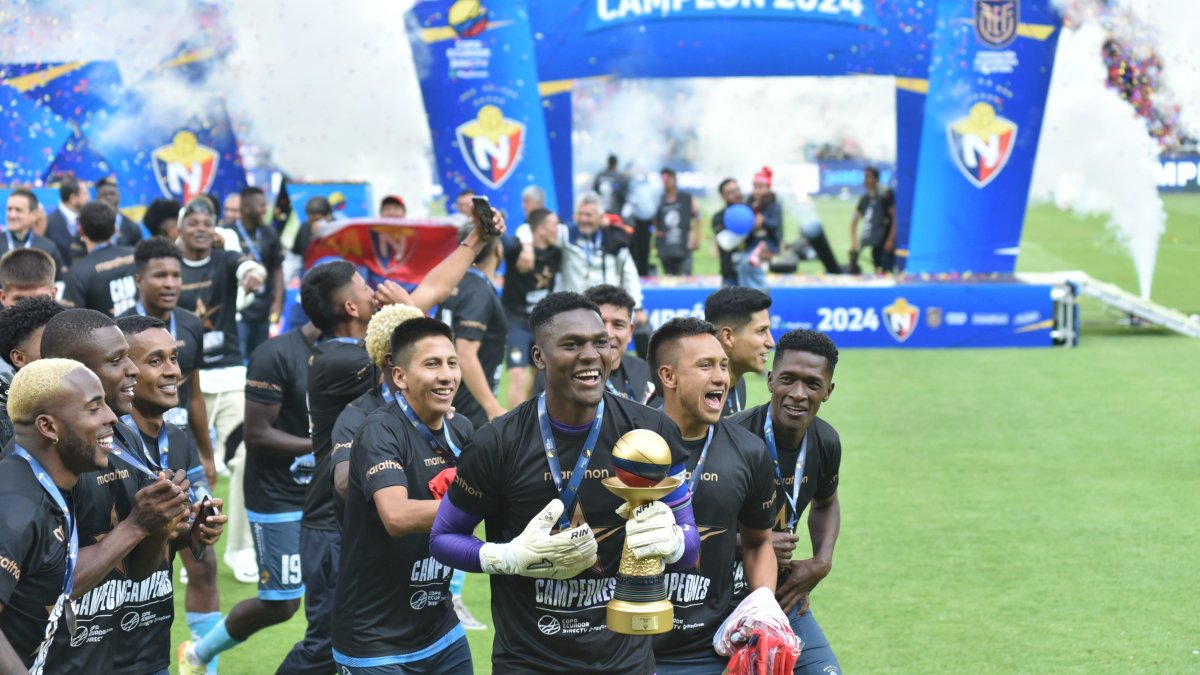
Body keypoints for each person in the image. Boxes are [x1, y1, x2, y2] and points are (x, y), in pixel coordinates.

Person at [429, 292, 701, 674]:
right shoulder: (496, 442)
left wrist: (673, 542)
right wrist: (505, 558)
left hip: (627, 664)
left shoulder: (650, 430)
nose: (591, 355)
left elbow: (690, 547)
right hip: (528, 662)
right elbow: (442, 538)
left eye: (600, 342)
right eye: (572, 344)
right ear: (539, 357)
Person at [284, 205, 504, 673]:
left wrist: (475, 240)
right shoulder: (341, 369)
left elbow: (430, 299)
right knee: (321, 645)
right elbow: (356, 491)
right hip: (335, 530)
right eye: (366, 290)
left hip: (426, 604)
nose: (376, 291)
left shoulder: (450, 422)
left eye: (451, 363)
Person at [35, 309, 193, 672]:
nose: (133, 370)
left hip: (128, 657)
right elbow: (51, 586)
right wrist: (138, 523)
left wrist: (163, 525)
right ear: (73, 369)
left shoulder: (124, 437)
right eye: (117, 360)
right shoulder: (41, 454)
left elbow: (137, 570)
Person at [332, 318, 477, 673]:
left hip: (439, 627)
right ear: (399, 376)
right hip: (373, 637)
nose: (447, 375)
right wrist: (481, 500)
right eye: (432, 364)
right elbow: (396, 517)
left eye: (452, 363)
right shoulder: (379, 430)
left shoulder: (462, 428)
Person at [176, 312, 318, 674]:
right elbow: (254, 434)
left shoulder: (357, 354)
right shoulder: (277, 354)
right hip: (277, 494)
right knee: (280, 601)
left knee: (341, 597)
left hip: (327, 494)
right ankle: (199, 652)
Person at [647, 318, 778, 674]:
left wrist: (764, 603)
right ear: (668, 377)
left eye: (722, 364)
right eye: (705, 366)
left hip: (710, 650)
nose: (721, 377)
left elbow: (757, 543)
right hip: (628, 648)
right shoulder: (629, 443)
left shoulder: (749, 451)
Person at [114, 316, 226, 675]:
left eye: (173, 358)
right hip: (102, 642)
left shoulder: (177, 440)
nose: (172, 371)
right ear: (125, 371)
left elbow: (161, 546)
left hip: (152, 639)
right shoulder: (102, 447)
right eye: (155, 361)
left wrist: (190, 533)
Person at [729, 330, 843, 675]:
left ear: (828, 391)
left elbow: (826, 502)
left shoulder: (825, 441)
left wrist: (822, 560)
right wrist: (754, 543)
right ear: (770, 381)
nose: (798, 394)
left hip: (780, 595)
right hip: (718, 597)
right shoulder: (732, 437)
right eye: (788, 380)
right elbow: (693, 530)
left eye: (812, 384)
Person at [0, 359, 118, 673]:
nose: (112, 417)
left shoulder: (52, 488)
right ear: (48, 427)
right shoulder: (13, 507)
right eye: (94, 408)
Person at [176, 196, 266, 584]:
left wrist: (253, 275)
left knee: (248, 458)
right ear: (180, 227)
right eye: (192, 221)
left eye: (206, 221)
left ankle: (241, 549)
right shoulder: (168, 265)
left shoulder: (226, 258)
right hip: (180, 381)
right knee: (183, 468)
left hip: (229, 376)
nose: (200, 227)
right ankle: (186, 543)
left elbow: (249, 267)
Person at [120, 237, 217, 487]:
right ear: (139, 280)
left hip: (183, 444)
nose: (170, 284)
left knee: (203, 517)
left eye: (176, 276)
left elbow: (194, 394)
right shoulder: (117, 329)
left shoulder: (191, 323)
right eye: (161, 276)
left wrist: (207, 454)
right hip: (137, 446)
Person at [518, 192, 645, 323]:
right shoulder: (566, 234)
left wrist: (638, 307)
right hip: (572, 312)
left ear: (600, 217)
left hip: (604, 312)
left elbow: (629, 274)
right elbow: (528, 228)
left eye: (588, 215)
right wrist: (527, 248)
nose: (583, 219)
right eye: (580, 214)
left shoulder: (614, 239)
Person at [436, 222, 507, 426]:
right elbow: (465, 354)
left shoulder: (452, 285)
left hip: (451, 405)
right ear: (498, 249)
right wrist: (492, 407)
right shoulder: (478, 292)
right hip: (469, 413)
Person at [532, 284, 651, 403]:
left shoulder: (645, 372)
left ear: (630, 332)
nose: (608, 334)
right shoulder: (556, 375)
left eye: (618, 325)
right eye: (600, 323)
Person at [503, 207, 561, 408]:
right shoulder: (518, 250)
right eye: (554, 225)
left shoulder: (557, 252)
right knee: (517, 375)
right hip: (516, 321)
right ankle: (512, 430)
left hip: (542, 323)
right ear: (541, 229)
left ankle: (528, 419)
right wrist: (526, 244)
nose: (558, 229)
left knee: (539, 377)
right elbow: (501, 238)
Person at [0, 298, 64, 450]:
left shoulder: (90, 392)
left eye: (66, 341)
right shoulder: (5, 416)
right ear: (19, 358)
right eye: (50, 344)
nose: (64, 352)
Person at [704, 286, 775, 417]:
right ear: (728, 337)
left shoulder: (739, 384)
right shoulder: (689, 390)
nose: (771, 342)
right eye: (761, 331)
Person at [61, 202, 137, 317]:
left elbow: (72, 322)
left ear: (81, 231)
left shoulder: (77, 273)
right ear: (115, 230)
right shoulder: (137, 255)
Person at [234, 186, 284, 358]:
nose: (265, 210)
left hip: (264, 309)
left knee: (261, 357)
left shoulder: (269, 232)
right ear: (247, 208)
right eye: (261, 206)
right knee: (239, 357)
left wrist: (277, 302)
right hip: (237, 311)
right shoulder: (230, 232)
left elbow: (277, 270)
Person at [2, 189, 66, 282]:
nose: (12, 215)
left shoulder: (47, 247)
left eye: (18, 210)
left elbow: (59, 282)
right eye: (9, 209)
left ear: (33, 215)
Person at [848, 166, 897, 274]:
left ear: (876, 179)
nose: (865, 180)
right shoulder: (865, 199)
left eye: (868, 177)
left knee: (886, 272)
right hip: (875, 242)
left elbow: (895, 218)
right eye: (864, 177)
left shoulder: (886, 195)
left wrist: (890, 240)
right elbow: (854, 222)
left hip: (885, 242)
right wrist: (853, 243)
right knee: (876, 269)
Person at [655, 167, 699, 276]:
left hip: (683, 246)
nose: (666, 182)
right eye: (664, 180)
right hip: (666, 249)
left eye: (669, 179)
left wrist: (696, 238)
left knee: (685, 281)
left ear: (675, 179)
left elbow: (697, 217)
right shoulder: (659, 200)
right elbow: (655, 222)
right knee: (669, 281)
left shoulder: (686, 198)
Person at [43, 176, 89, 264]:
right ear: (73, 198)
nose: (88, 198)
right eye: (84, 194)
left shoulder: (88, 217)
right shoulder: (49, 223)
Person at [710, 179, 744, 286]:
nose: (736, 194)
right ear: (723, 197)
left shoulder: (751, 212)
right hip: (730, 274)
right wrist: (747, 229)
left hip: (751, 272)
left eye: (737, 190)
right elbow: (726, 244)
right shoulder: (719, 217)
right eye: (730, 192)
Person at [95, 176, 146, 246]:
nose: (108, 197)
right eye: (104, 195)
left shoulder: (131, 227)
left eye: (112, 194)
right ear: (97, 198)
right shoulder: (91, 224)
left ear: (119, 196)